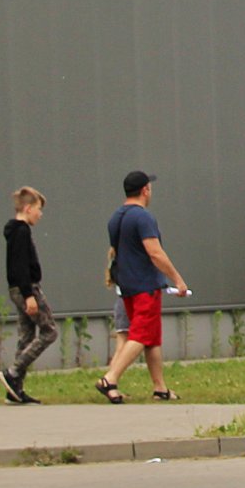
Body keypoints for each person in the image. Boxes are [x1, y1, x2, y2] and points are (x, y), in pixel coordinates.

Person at [95, 171, 189, 403]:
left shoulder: (115, 218)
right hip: (145, 285)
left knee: (151, 338)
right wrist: (177, 279)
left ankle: (160, 388)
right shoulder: (143, 217)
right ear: (145, 190)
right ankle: (110, 378)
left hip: (126, 285)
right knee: (140, 335)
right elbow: (155, 253)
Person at [0, 186, 56, 404]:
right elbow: (20, 266)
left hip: (17, 288)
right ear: (27, 208)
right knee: (49, 331)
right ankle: (13, 372)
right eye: (39, 209)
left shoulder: (15, 231)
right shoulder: (21, 231)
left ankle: (15, 390)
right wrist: (29, 295)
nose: (40, 214)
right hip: (27, 288)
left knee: (26, 336)